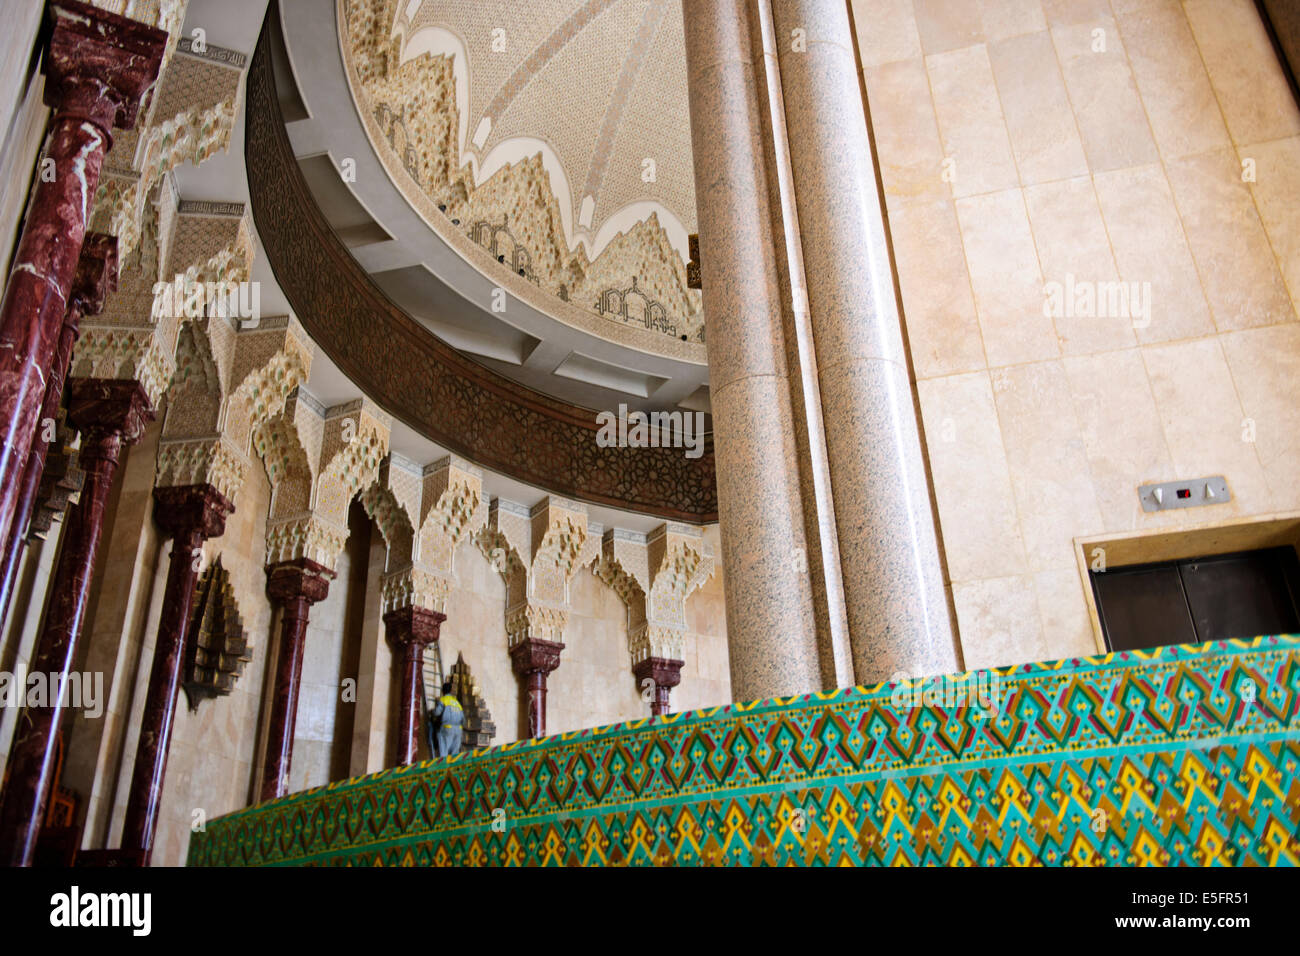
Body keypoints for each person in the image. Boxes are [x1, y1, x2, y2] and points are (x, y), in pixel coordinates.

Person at [430, 680, 464, 757]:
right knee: (454, 756)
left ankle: (442, 768)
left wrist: (432, 711)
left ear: (442, 691)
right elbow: (463, 720)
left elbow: (437, 713)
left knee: (443, 754)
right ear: (451, 691)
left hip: (447, 729)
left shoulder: (443, 700)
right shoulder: (457, 702)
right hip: (458, 731)